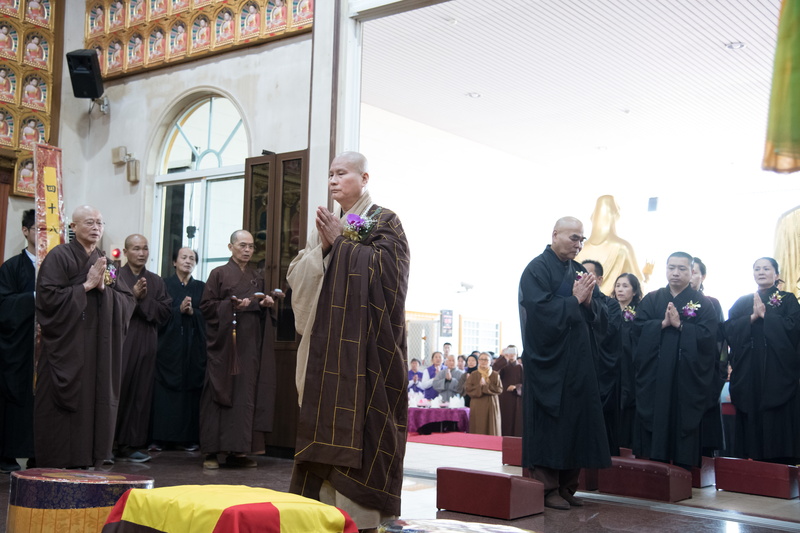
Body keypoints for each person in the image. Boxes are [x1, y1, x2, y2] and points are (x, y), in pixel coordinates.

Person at [287, 151, 409, 530]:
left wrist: (344, 244)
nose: (334, 180)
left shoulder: (384, 220)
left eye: (342, 173)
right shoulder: (324, 226)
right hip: (326, 348)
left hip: (367, 352)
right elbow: (297, 274)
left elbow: (392, 275)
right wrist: (326, 247)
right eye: (330, 174)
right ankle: (324, 512)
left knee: (370, 425)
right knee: (322, 417)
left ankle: (365, 516)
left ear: (364, 177)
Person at [518, 216, 611, 510]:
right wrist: (573, 302)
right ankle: (547, 489)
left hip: (578, 361)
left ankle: (568, 486)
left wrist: (587, 303)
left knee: (577, 421)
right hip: (549, 362)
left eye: (582, 239)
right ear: (555, 234)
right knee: (551, 422)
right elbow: (538, 310)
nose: (579, 244)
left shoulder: (579, 270)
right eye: (574, 238)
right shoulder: (536, 269)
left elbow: (598, 310)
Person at [34, 206, 135, 468]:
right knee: (66, 400)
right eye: (89, 222)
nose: (96, 227)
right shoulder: (59, 257)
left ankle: (91, 455)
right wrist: (85, 287)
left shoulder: (106, 262)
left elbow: (126, 300)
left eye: (100, 223)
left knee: (97, 396)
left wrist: (103, 288)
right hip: (67, 343)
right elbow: (47, 299)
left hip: (99, 345)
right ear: (73, 226)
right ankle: (58, 460)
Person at [633, 252, 717, 469]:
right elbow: (636, 329)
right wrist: (660, 324)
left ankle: (684, 469)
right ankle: (655, 468)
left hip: (686, 375)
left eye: (682, 268)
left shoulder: (703, 303)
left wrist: (682, 326)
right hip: (657, 373)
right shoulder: (652, 299)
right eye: (671, 268)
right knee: (656, 413)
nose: (676, 273)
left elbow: (709, 337)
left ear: (691, 272)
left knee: (683, 416)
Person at [200, 230, 275, 469]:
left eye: (251, 246)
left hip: (249, 344)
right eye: (242, 245)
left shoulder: (256, 276)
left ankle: (239, 451)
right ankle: (212, 452)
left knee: (246, 394)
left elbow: (261, 308)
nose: (247, 250)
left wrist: (265, 305)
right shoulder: (218, 273)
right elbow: (206, 306)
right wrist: (230, 306)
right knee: (220, 391)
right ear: (230, 247)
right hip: (225, 345)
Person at [725, 257, 800, 463]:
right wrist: (751, 318)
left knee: (777, 411)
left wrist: (768, 316)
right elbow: (728, 330)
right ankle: (750, 458)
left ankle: (780, 460)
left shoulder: (788, 299)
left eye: (766, 268)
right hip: (749, 368)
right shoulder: (743, 301)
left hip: (777, 369)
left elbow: (794, 329)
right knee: (750, 406)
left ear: (776, 275)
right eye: (757, 269)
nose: (761, 272)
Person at [115, 235, 172, 463]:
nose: (141, 253)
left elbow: (166, 311)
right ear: (126, 251)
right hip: (121, 340)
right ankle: (107, 444)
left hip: (147, 341)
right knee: (118, 389)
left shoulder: (156, 280)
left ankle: (131, 445)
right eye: (136, 249)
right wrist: (133, 297)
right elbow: (107, 303)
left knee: (141, 392)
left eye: (145, 248)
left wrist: (142, 301)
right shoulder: (115, 275)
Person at [151, 248, 206, 451]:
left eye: (192, 258)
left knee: (191, 390)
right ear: (174, 262)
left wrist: (193, 313)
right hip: (169, 346)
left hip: (193, 347)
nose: (188, 261)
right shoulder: (164, 285)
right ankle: (160, 437)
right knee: (165, 391)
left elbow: (208, 315)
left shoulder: (201, 287)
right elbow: (157, 312)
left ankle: (189, 438)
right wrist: (177, 311)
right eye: (183, 257)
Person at [0, 210, 36, 472]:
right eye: (38, 229)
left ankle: (42, 453)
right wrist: (34, 297)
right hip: (21, 345)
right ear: (25, 231)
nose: (43, 235)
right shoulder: (12, 267)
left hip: (53, 346)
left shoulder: (59, 266)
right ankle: (8, 454)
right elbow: (3, 304)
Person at [582, 259, 623, 456]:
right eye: (579, 275)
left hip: (602, 370)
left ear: (599, 279)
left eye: (587, 275)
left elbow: (607, 332)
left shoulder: (611, 304)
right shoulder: (572, 301)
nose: (582, 278)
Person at [575, 195, 649, 295]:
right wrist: (647, 277)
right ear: (614, 217)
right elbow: (637, 283)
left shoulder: (580, 247)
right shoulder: (623, 247)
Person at [690, 257, 727, 457]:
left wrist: (719, 372)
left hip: (706, 372)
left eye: (694, 271)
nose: (690, 275)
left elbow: (720, 341)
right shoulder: (666, 301)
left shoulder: (711, 303)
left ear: (702, 276)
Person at [612, 272, 643, 449]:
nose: (620, 290)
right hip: (612, 366)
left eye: (625, 286)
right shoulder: (608, 308)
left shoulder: (640, 312)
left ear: (634, 290)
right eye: (618, 286)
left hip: (631, 367)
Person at [465, 352, 502, 435]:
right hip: (477, 403)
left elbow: (499, 389)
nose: (483, 361)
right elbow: (468, 389)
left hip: (491, 403)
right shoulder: (474, 374)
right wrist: (479, 386)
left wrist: (486, 386)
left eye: (486, 359)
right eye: (481, 359)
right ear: (478, 361)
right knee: (478, 426)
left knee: (491, 425)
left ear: (490, 362)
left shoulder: (495, 375)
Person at [493, 345, 523, 437]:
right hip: (503, 398)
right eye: (509, 352)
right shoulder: (503, 367)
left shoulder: (521, 367)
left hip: (516, 399)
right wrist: (502, 357)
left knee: (515, 422)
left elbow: (526, 384)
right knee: (504, 420)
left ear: (517, 353)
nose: (511, 354)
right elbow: (494, 370)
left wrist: (516, 387)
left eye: (513, 351)